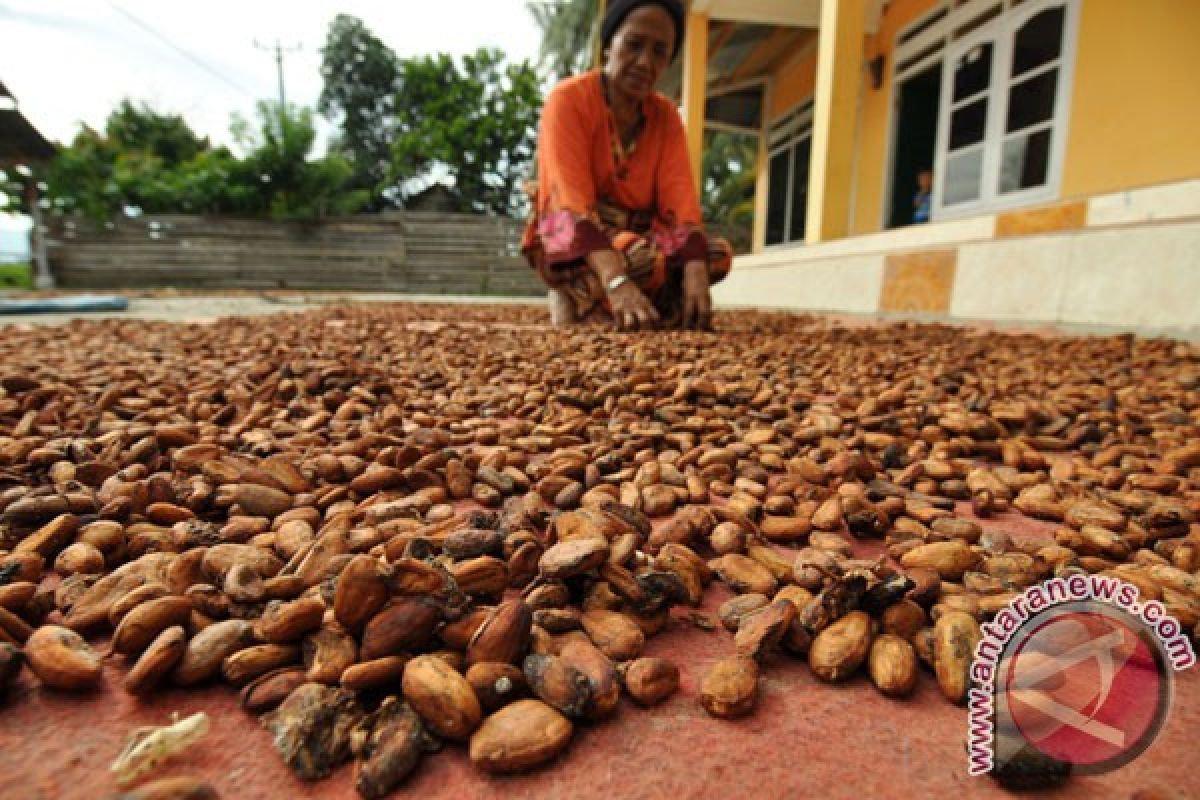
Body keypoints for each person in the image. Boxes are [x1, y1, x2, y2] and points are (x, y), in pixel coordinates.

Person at [521, 0, 732, 331]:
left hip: (639, 236)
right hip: (571, 237)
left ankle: (610, 305)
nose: (645, 62)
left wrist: (695, 270)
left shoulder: (666, 117)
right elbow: (567, 204)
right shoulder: (568, 101)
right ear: (608, 47)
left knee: (714, 256)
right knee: (639, 257)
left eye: (659, 52)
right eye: (634, 45)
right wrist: (616, 280)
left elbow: (680, 202)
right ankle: (588, 295)